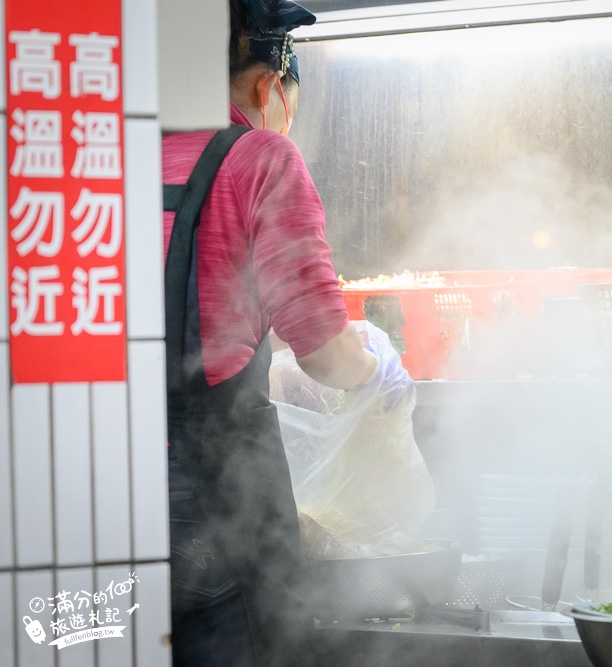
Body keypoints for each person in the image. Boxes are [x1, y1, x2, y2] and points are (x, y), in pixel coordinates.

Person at [161, 1, 376, 665]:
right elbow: (328, 355)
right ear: (268, 83)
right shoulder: (261, 159)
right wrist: (377, 371)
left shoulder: (97, 166)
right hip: (211, 508)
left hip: (97, 499)